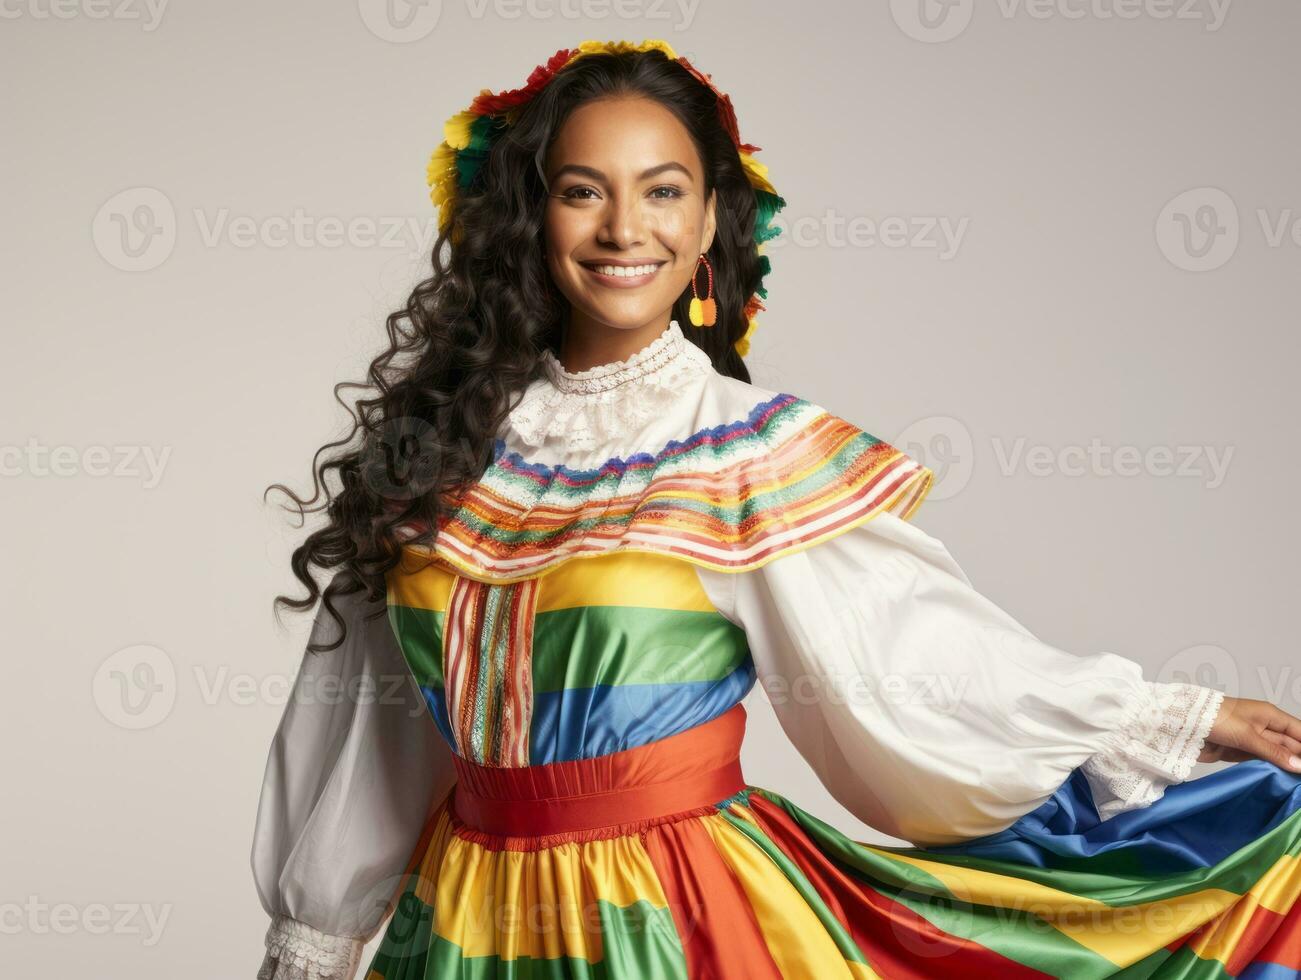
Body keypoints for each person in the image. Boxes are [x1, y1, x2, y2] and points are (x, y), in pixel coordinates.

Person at [250, 40, 1301, 979]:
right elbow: (365, 745)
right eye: (583, 190)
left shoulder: (746, 452)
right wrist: (314, 942)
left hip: (667, 928)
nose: (624, 227)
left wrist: (1169, 717)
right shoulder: (438, 454)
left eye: (661, 192)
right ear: (531, 216)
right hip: (458, 926)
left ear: (708, 218)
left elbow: (919, 661)